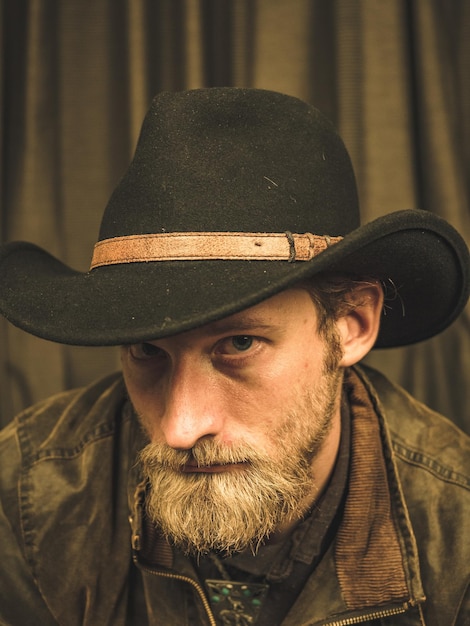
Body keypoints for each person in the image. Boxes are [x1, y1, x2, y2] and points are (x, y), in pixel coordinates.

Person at [0, 88, 468, 626]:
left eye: (239, 344)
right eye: (148, 349)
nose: (179, 428)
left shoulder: (456, 541)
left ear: (352, 324)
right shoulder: (28, 494)